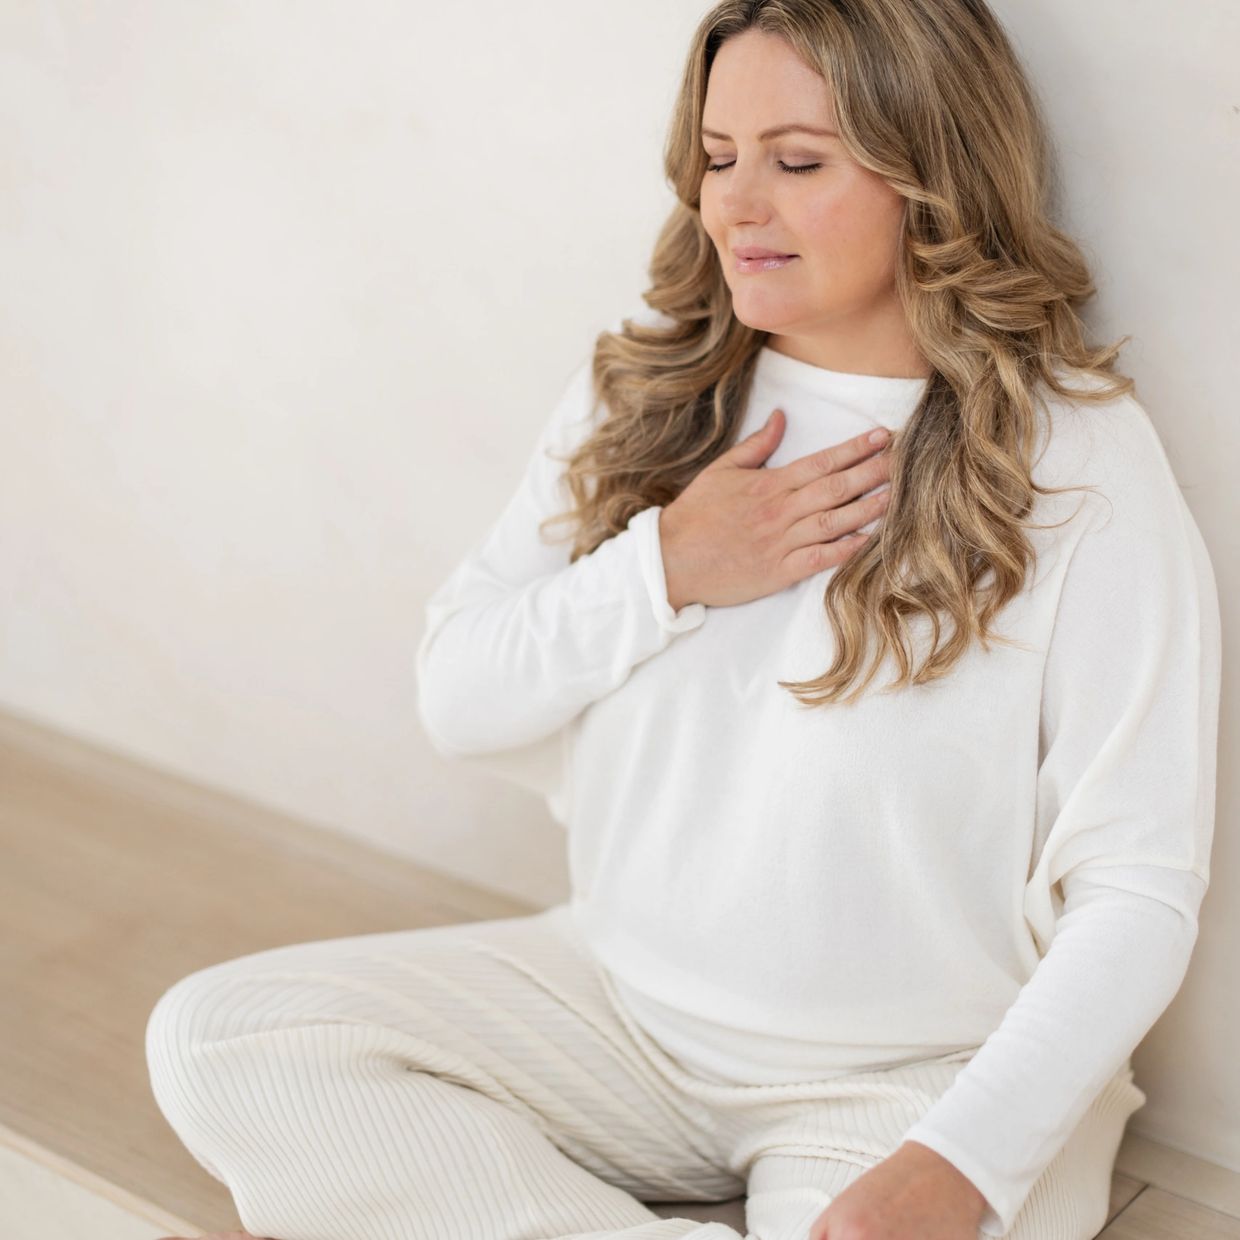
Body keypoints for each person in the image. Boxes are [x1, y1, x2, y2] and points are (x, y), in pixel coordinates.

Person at [145, 2, 1221, 1239]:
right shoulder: (660, 389)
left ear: (934, 174)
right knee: (222, 1039)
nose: (736, 206)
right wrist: (666, 564)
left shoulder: (1074, 455)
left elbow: (1136, 887)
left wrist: (961, 1162)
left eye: (798, 161)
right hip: (618, 1007)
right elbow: (458, 689)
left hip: (911, 1081)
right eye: (718, 157)